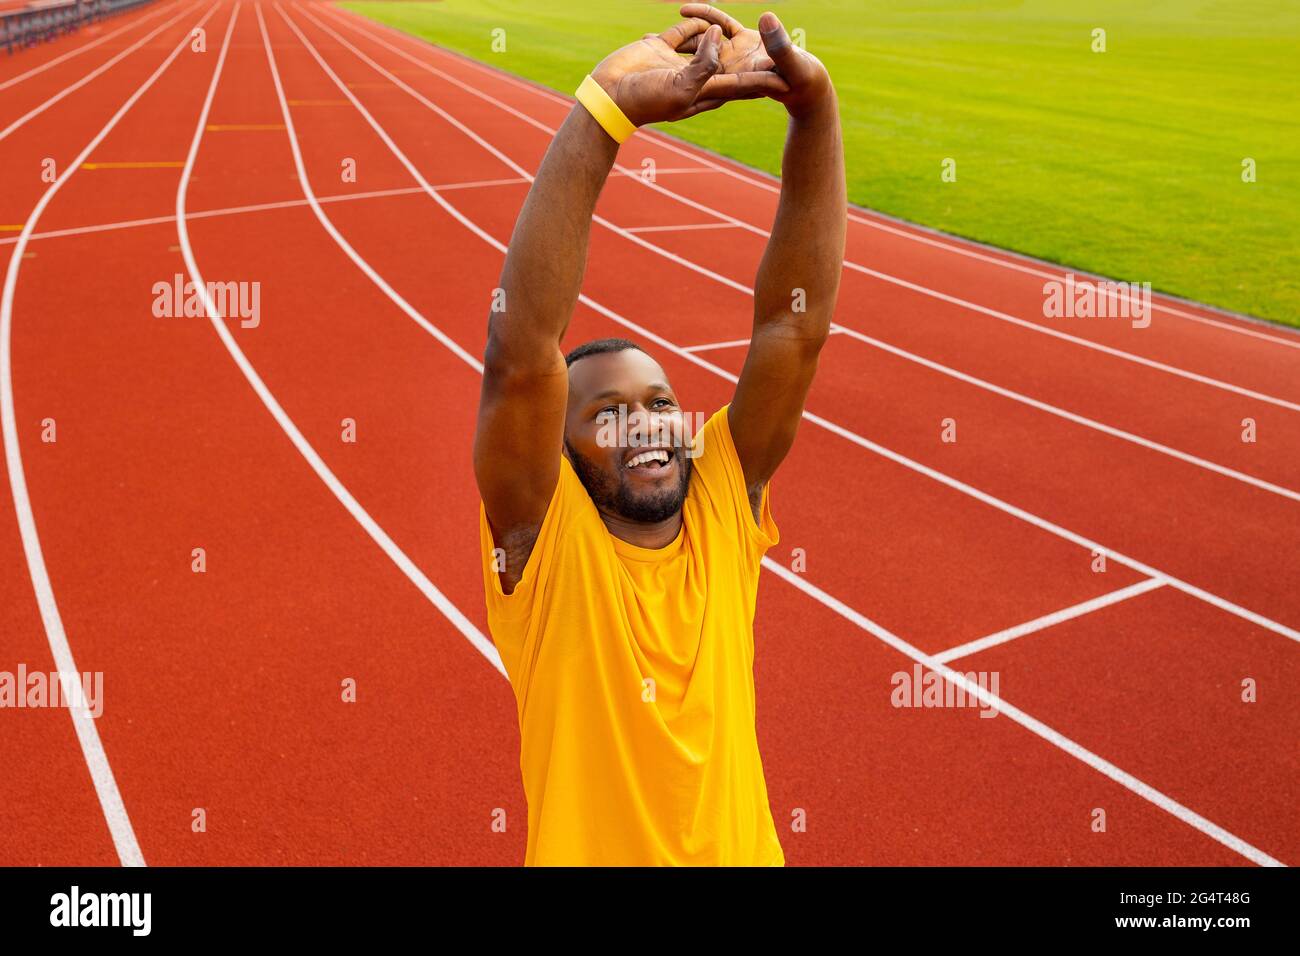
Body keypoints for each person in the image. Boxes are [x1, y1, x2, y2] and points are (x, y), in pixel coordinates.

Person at [473, 4, 846, 865]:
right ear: (557, 460)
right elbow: (521, 358)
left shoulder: (720, 509)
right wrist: (604, 111)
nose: (646, 424)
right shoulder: (548, 551)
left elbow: (795, 330)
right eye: (606, 414)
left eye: (659, 402)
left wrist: (815, 108)